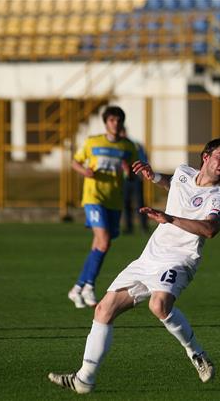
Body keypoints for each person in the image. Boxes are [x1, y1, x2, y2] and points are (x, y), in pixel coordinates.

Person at [48, 137, 220, 394]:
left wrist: (168, 217)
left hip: (180, 259)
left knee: (158, 304)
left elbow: (210, 229)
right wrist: (154, 175)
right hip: (150, 257)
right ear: (205, 157)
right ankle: (84, 379)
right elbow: (175, 183)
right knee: (104, 309)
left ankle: (197, 355)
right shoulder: (184, 172)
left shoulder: (219, 198)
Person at [68, 106, 138, 309]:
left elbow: (133, 175)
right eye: (111, 120)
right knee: (104, 241)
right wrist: (85, 171)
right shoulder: (93, 142)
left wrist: (129, 172)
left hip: (114, 200)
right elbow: (75, 162)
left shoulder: (128, 146)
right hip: (94, 198)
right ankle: (89, 285)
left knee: (100, 243)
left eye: (118, 120)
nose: (115, 124)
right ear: (106, 122)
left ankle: (77, 288)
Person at [120, 130, 149, 235]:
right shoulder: (118, 146)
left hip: (136, 177)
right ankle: (128, 227)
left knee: (139, 202)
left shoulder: (135, 145)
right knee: (126, 203)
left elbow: (143, 158)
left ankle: (143, 226)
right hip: (124, 178)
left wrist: (143, 172)